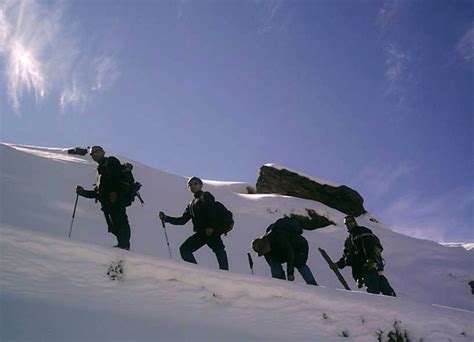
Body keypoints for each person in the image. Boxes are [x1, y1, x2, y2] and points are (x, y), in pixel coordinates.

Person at [159, 177, 230, 270]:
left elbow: (211, 209)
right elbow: (183, 220)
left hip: (211, 231)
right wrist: (166, 218)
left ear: (201, 185)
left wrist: (211, 226)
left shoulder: (206, 195)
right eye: (190, 185)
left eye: (196, 184)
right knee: (185, 249)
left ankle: (224, 273)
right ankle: (197, 271)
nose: (193, 186)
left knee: (218, 250)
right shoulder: (191, 204)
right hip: (202, 232)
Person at [76, 146, 131, 250]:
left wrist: (115, 192)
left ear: (103, 152)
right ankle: (122, 245)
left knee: (120, 221)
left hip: (116, 199)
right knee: (114, 225)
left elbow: (117, 177)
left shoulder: (111, 161)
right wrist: (83, 193)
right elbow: (98, 192)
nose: (94, 155)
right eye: (92, 154)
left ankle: (124, 246)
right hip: (107, 202)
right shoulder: (99, 169)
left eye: (97, 152)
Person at [336, 215, 396, 296]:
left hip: (370, 265)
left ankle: (388, 302)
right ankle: (392, 301)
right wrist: (338, 264)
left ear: (355, 222)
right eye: (346, 223)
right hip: (361, 270)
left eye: (351, 222)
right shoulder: (349, 240)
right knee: (378, 283)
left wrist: (371, 260)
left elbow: (370, 245)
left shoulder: (363, 231)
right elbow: (347, 256)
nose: (349, 224)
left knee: (374, 289)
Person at [251, 218, 318, 285]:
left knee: (299, 264)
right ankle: (281, 285)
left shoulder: (279, 237)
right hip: (282, 252)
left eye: (263, 250)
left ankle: (313, 285)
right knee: (274, 264)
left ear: (265, 244)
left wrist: (290, 273)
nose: (264, 252)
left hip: (299, 247)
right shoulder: (266, 251)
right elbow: (271, 264)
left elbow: (290, 255)